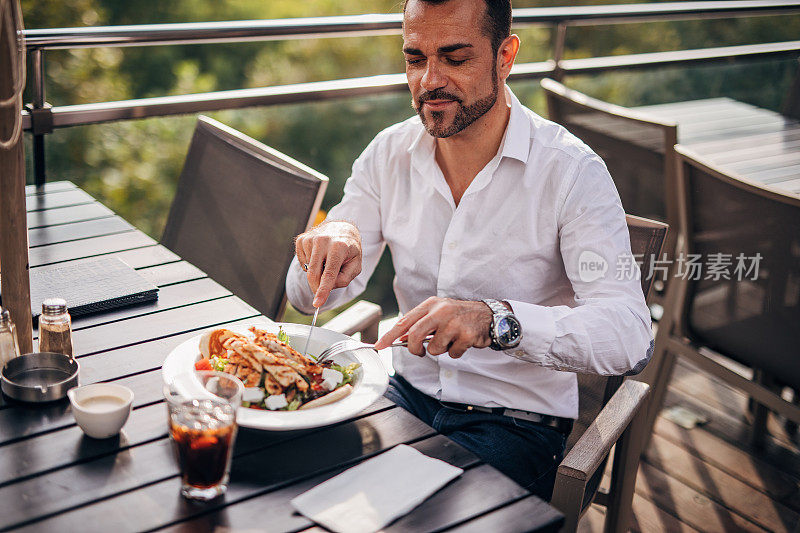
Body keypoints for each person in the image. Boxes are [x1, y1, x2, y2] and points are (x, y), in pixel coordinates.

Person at [286, 0, 653, 500]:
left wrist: (493, 320)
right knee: (280, 479)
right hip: (398, 394)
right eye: (415, 59)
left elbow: (630, 334)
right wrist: (332, 241)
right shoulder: (387, 153)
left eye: (455, 58)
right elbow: (308, 300)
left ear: (505, 56)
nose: (429, 80)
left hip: (516, 426)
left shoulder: (571, 172)